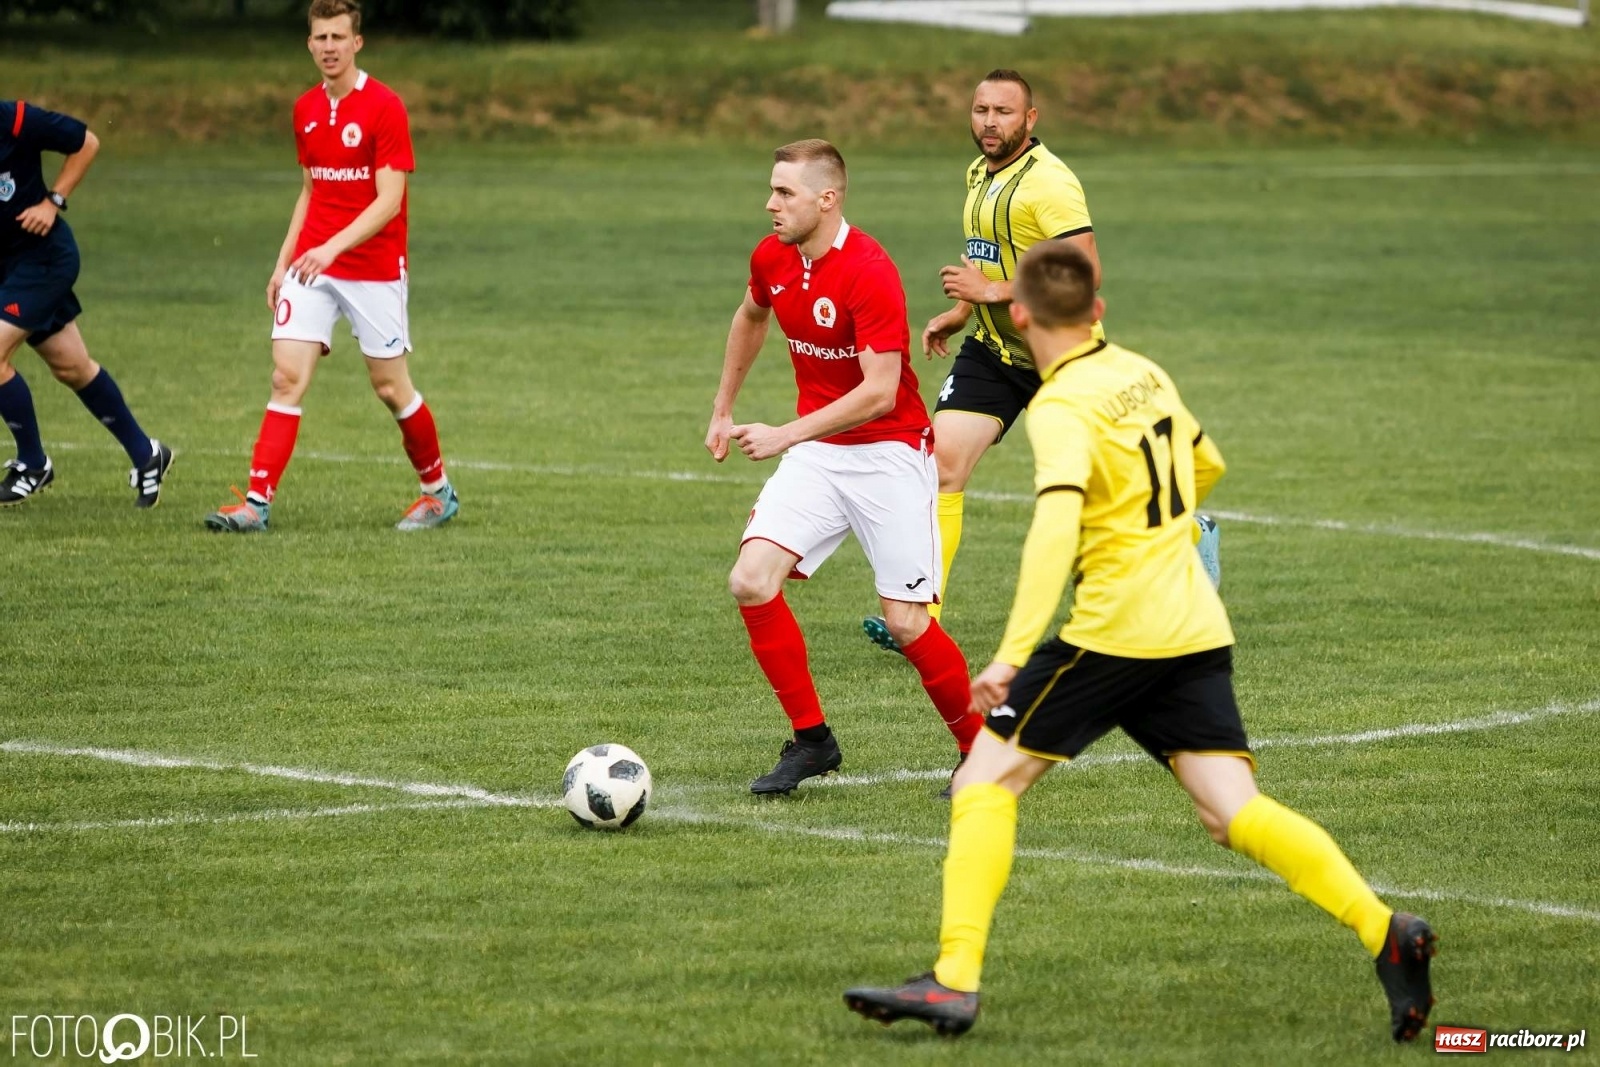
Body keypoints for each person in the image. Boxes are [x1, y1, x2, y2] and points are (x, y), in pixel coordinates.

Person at [843, 242, 1436, 1042]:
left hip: (1114, 633)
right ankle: (1385, 930)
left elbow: (1054, 531)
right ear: (1098, 310)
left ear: (1017, 315)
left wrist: (1013, 652)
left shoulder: (1057, 407)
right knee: (1232, 811)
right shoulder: (1144, 372)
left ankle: (953, 979)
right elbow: (1208, 464)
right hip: (1192, 624)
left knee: (981, 780)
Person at [862, 69, 1221, 654]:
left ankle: (1189, 536)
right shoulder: (979, 173)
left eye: (1003, 112)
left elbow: (1086, 271)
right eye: (980, 110)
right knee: (940, 467)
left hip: (1064, 354)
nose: (988, 122)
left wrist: (991, 293)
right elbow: (994, 259)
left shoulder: (1050, 184)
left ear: (1031, 119)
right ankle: (921, 616)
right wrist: (961, 312)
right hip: (996, 351)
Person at [707, 139, 983, 796]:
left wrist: (784, 433)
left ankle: (980, 747)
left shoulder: (869, 269)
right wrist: (724, 408)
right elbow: (751, 315)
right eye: (772, 190)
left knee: (907, 621)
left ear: (827, 200)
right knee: (751, 578)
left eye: (785, 193)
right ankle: (812, 740)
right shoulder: (772, 257)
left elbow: (880, 390)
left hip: (888, 454)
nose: (770, 204)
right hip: (819, 456)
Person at [205, 0, 456, 533]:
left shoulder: (385, 106)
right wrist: (283, 263)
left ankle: (437, 493)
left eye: (339, 37)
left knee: (390, 387)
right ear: (309, 44)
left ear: (357, 43)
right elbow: (310, 192)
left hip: (373, 266)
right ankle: (255, 504)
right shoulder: (305, 110)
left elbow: (390, 200)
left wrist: (332, 249)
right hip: (313, 262)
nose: (329, 47)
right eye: (320, 38)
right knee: (285, 376)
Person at [0, 100, 173, 508]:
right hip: (8, 268)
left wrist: (53, 202)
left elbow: (87, 141)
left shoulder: (15, 119)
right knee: (71, 366)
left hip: (43, 260)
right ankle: (147, 454)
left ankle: (32, 463)